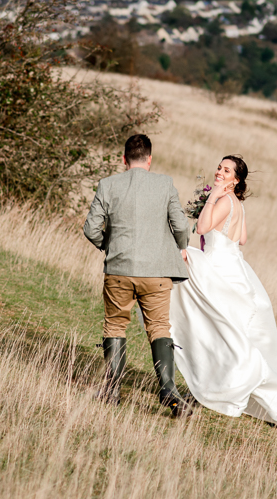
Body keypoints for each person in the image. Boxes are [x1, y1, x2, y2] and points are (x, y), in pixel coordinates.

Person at [171, 155, 277, 435]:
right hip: (235, 264)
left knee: (207, 322)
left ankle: (209, 379)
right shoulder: (238, 205)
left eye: (226, 171)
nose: (219, 172)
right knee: (225, 330)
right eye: (219, 167)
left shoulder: (223, 200)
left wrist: (212, 197)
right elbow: (243, 239)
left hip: (217, 265)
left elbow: (201, 229)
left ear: (235, 180)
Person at [83, 134, 193, 417]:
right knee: (158, 327)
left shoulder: (108, 185)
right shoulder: (164, 183)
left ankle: (111, 389)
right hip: (156, 273)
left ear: (124, 159)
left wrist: (110, 246)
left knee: (115, 326)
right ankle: (168, 388)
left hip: (119, 270)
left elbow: (91, 229)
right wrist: (180, 247)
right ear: (149, 159)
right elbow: (181, 226)